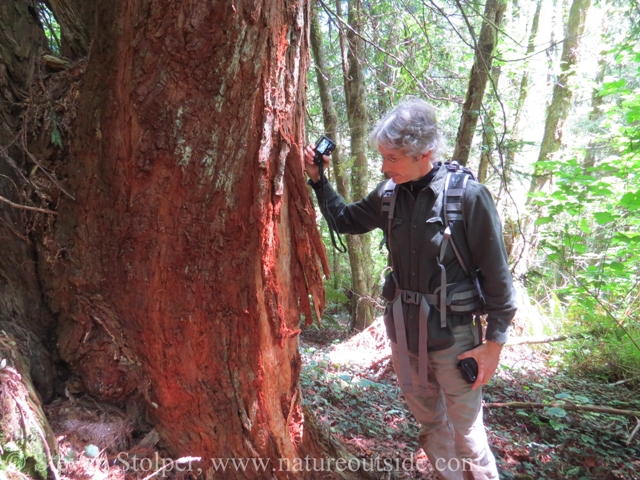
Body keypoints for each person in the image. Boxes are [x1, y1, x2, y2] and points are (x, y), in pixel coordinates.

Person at [303, 98, 517, 480]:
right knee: (432, 427)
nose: (385, 167)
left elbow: (499, 279)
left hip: (457, 340)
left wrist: (494, 344)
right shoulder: (388, 195)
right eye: (383, 157)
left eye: (393, 158)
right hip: (404, 335)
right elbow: (345, 219)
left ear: (425, 153)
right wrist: (319, 180)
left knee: (468, 435)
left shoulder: (468, 197)